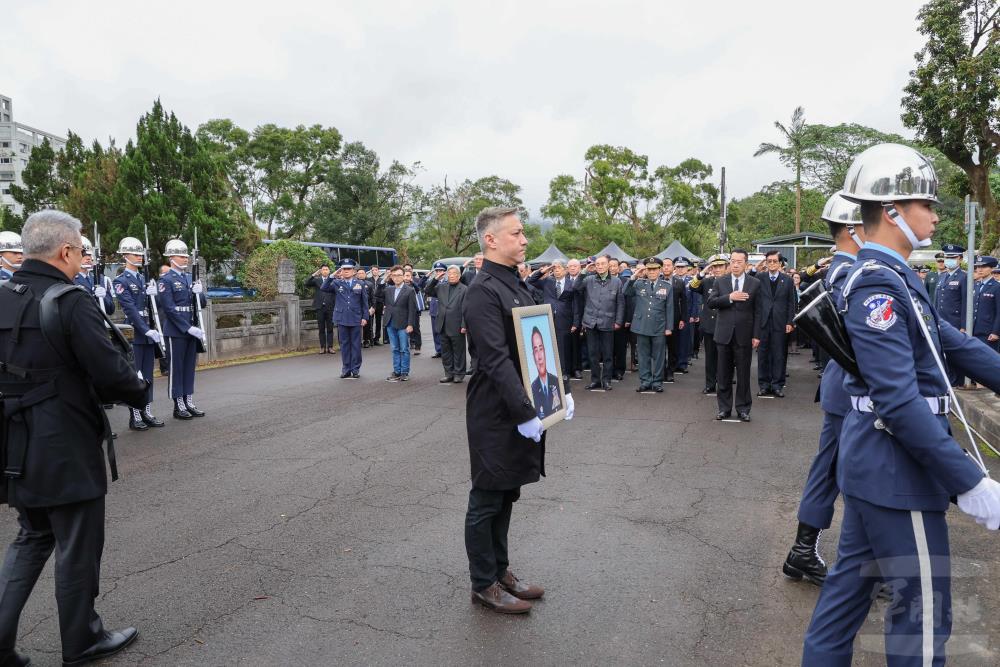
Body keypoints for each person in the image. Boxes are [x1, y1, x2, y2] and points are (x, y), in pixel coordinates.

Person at [802, 143, 1000, 665]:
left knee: (843, 604)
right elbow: (897, 400)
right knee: (923, 619)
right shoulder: (877, 287)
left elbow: (951, 344)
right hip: (898, 474)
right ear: (891, 212)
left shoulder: (897, 278)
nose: (935, 215)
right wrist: (970, 482)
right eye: (924, 205)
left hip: (877, 470)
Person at [0, 210, 148, 665]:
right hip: (63, 442)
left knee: (32, 536)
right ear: (65, 251)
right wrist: (139, 390)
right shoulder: (69, 300)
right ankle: (80, 640)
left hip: (13, 443)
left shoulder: (2, 296)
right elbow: (111, 374)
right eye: (82, 250)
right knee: (77, 545)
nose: (84, 258)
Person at [462, 206, 574, 614]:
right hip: (496, 410)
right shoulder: (482, 290)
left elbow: (535, 346)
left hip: (519, 404)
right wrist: (527, 411)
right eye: (517, 233)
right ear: (491, 239)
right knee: (487, 496)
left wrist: (558, 392)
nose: (525, 240)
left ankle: (500, 570)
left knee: (507, 493)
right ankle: (483, 583)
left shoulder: (516, 283)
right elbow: (494, 360)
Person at [782, 191, 866, 586]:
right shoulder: (852, 271)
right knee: (859, 474)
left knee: (830, 468)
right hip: (852, 391)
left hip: (840, 387)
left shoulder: (840, 268)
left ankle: (803, 550)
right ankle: (864, 567)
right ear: (854, 229)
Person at [113, 236, 165, 431]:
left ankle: (147, 411)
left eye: (140, 253)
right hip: (135, 332)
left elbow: (154, 307)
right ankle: (135, 414)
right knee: (136, 375)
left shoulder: (144, 279)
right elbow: (130, 310)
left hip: (148, 331)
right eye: (135, 254)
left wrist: (155, 295)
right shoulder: (121, 281)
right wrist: (146, 330)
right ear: (125, 256)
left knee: (149, 373)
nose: (139, 257)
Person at [157, 239, 207, 420]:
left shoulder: (189, 278)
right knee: (176, 368)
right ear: (171, 257)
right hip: (176, 330)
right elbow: (169, 309)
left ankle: (189, 400)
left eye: (186, 256)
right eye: (181, 256)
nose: (185, 259)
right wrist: (187, 329)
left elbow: (201, 304)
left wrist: (199, 292)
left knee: (188, 367)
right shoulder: (166, 280)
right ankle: (178, 404)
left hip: (191, 327)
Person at [708, 249, 760, 422]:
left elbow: (758, 311)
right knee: (723, 374)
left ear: (745, 263)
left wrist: (756, 335)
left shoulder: (754, 283)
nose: (735, 264)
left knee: (744, 374)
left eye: (739, 261)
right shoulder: (720, 282)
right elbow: (711, 302)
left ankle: (743, 408)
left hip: (745, 335)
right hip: (724, 334)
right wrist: (730, 297)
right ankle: (724, 408)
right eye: (733, 261)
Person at [571, 254, 624, 391]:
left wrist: (618, 321)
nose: (600, 266)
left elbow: (620, 303)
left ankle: (606, 380)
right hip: (590, 322)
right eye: (597, 264)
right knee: (592, 354)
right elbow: (575, 288)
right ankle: (595, 380)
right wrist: (583, 271)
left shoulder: (617, 282)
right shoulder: (588, 279)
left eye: (602, 264)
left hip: (608, 322)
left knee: (607, 354)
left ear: (608, 265)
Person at [624, 257, 673, 393]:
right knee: (643, 356)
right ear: (645, 270)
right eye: (649, 269)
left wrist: (669, 328)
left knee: (658, 356)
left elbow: (669, 308)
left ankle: (657, 382)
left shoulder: (666, 286)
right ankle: (645, 381)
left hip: (659, 326)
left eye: (654, 269)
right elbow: (625, 292)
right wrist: (634, 276)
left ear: (659, 270)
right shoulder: (639, 283)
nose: (651, 272)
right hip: (642, 325)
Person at [526, 261, 577, 382]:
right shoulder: (548, 281)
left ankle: (564, 372)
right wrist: (543, 271)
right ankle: (550, 371)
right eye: (555, 268)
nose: (556, 270)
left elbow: (576, 305)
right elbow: (531, 281)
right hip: (547, 318)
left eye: (559, 268)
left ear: (565, 270)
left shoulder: (572, 284)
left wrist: (576, 322)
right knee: (546, 346)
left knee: (563, 347)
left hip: (564, 319)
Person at [754, 250, 795, 397]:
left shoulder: (788, 280)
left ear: (780, 263)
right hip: (763, 322)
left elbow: (792, 303)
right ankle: (764, 385)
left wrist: (790, 321)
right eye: (769, 261)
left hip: (781, 322)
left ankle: (777, 385)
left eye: (774, 261)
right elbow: (756, 303)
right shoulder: (759, 278)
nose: (772, 264)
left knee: (779, 355)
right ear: (766, 263)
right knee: (763, 354)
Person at [321, 259, 369, 379]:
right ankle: (346, 368)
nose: (346, 271)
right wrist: (332, 275)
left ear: (353, 271)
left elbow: (364, 302)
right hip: (342, 318)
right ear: (341, 271)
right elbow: (323, 287)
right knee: (344, 345)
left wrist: (365, 317)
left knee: (356, 345)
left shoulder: (360, 284)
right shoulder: (337, 283)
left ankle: (355, 369)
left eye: (348, 269)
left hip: (356, 318)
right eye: (343, 269)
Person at [689, 255, 728, 394]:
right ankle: (710, 384)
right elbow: (692, 286)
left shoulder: (730, 282)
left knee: (724, 358)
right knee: (710, 358)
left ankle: (723, 384)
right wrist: (702, 272)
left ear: (726, 267)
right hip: (710, 325)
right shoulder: (707, 281)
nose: (717, 269)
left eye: (720, 266)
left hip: (725, 325)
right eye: (714, 266)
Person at [424, 264, 468, 382]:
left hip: (457, 325)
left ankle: (459, 374)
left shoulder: (464, 289)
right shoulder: (441, 286)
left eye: (455, 274)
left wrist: (464, 325)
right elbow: (427, 290)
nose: (452, 276)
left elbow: (466, 309)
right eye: (450, 274)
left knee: (458, 351)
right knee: (446, 351)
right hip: (442, 324)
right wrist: (435, 279)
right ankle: (449, 373)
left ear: (459, 276)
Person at [934, 243, 968, 386]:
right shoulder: (942, 277)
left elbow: (966, 303)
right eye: (947, 257)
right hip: (941, 322)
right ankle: (948, 380)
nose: (949, 260)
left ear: (960, 259)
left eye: (953, 257)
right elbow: (937, 301)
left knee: (956, 355)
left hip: (955, 323)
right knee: (943, 354)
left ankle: (957, 382)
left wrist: (964, 325)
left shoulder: (964, 277)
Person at [379, 265, 416, 381]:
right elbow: (377, 294)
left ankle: (404, 372)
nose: (397, 278)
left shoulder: (410, 290)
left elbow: (412, 309)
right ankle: (397, 371)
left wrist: (410, 324)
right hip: (390, 322)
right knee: (394, 348)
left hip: (404, 324)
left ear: (404, 276)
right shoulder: (388, 289)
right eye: (394, 275)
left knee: (404, 348)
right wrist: (383, 280)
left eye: (399, 275)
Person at [659, 258, 688, 383]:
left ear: (673, 267)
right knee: (659, 347)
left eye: (668, 265)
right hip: (658, 319)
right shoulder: (656, 281)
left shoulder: (679, 282)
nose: (666, 267)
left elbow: (684, 302)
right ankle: (660, 371)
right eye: (664, 265)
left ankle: (670, 371)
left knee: (673, 347)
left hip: (674, 319)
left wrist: (683, 319)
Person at [74, 237, 115, 316]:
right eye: (83, 255)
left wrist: (104, 297)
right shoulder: (70, 279)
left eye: (90, 254)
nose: (88, 258)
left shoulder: (100, 278)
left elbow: (110, 309)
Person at [528, 326, 563, 418]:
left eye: (541, 349)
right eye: (536, 350)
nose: (539, 357)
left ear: (545, 351)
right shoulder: (532, 389)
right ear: (533, 356)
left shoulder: (556, 382)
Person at [305, 264, 337, 354]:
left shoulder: (333, 280)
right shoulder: (317, 280)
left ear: (329, 271)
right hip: (320, 307)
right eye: (323, 269)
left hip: (330, 307)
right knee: (321, 328)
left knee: (330, 328)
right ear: (321, 271)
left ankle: (330, 347)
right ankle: (322, 347)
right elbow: (306, 283)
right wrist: (314, 274)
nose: (325, 271)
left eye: (327, 269)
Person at [971, 255, 999, 353]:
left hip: (988, 333)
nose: (980, 269)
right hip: (973, 330)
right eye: (978, 267)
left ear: (992, 268)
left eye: (984, 267)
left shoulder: (996, 287)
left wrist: (996, 332)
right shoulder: (976, 285)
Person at [427, 262, 446, 357]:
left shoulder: (447, 282)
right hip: (434, 309)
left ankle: (445, 350)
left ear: (444, 272)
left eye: (441, 270)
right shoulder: (432, 281)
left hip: (444, 310)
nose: (439, 272)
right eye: (437, 271)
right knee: (435, 331)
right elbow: (425, 289)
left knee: (444, 331)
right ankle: (439, 350)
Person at [357, 268, 376, 348]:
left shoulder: (369, 284)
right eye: (359, 273)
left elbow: (373, 297)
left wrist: (373, 307)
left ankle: (366, 340)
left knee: (367, 326)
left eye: (362, 273)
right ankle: (358, 341)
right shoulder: (354, 283)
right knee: (356, 325)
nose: (361, 274)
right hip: (356, 308)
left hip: (366, 307)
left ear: (365, 274)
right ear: (357, 274)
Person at [368, 266, 385, 345]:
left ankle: (377, 338)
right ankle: (370, 338)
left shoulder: (382, 280)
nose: (374, 271)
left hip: (379, 302)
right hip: (371, 303)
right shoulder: (368, 280)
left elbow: (385, 292)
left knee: (378, 321)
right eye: (373, 270)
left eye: (376, 270)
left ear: (378, 271)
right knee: (370, 321)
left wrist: (384, 304)